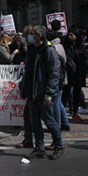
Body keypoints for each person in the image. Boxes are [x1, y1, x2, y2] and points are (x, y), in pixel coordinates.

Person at [20, 26, 64, 160]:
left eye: (32, 34)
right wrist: (23, 87)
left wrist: (49, 94)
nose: (29, 37)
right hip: (32, 93)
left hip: (44, 93)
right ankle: (39, 148)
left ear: (39, 36)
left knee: (49, 121)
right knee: (35, 122)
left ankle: (59, 145)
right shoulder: (32, 50)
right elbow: (28, 71)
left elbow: (54, 74)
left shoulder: (49, 51)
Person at [46, 22, 70, 135]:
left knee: (55, 102)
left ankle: (57, 124)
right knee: (58, 101)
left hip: (57, 79)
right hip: (61, 77)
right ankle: (65, 122)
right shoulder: (60, 45)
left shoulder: (53, 48)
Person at [66, 29, 88, 122]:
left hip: (79, 73)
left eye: (73, 35)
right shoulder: (67, 46)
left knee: (77, 92)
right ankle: (68, 111)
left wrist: (85, 70)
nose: (71, 37)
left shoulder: (81, 46)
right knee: (67, 92)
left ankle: (75, 112)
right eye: (69, 35)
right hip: (69, 73)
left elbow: (85, 59)